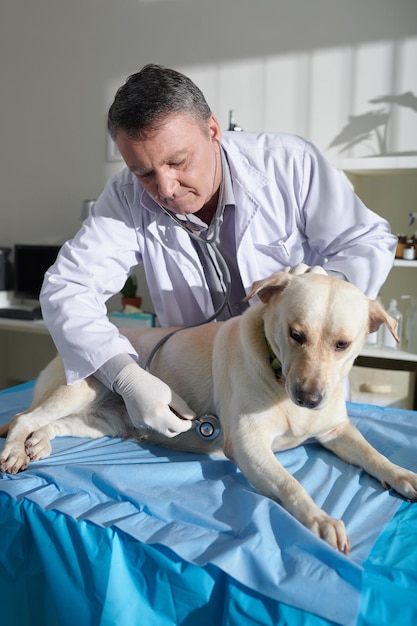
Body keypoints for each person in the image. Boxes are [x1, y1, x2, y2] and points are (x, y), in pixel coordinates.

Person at [40, 64, 397, 438]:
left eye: (177, 162)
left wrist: (329, 286)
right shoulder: (125, 197)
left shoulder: (290, 163)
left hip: (299, 383)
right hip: (202, 390)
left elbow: (366, 240)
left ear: (212, 131)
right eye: (144, 172)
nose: (165, 188)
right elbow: (69, 288)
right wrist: (126, 376)